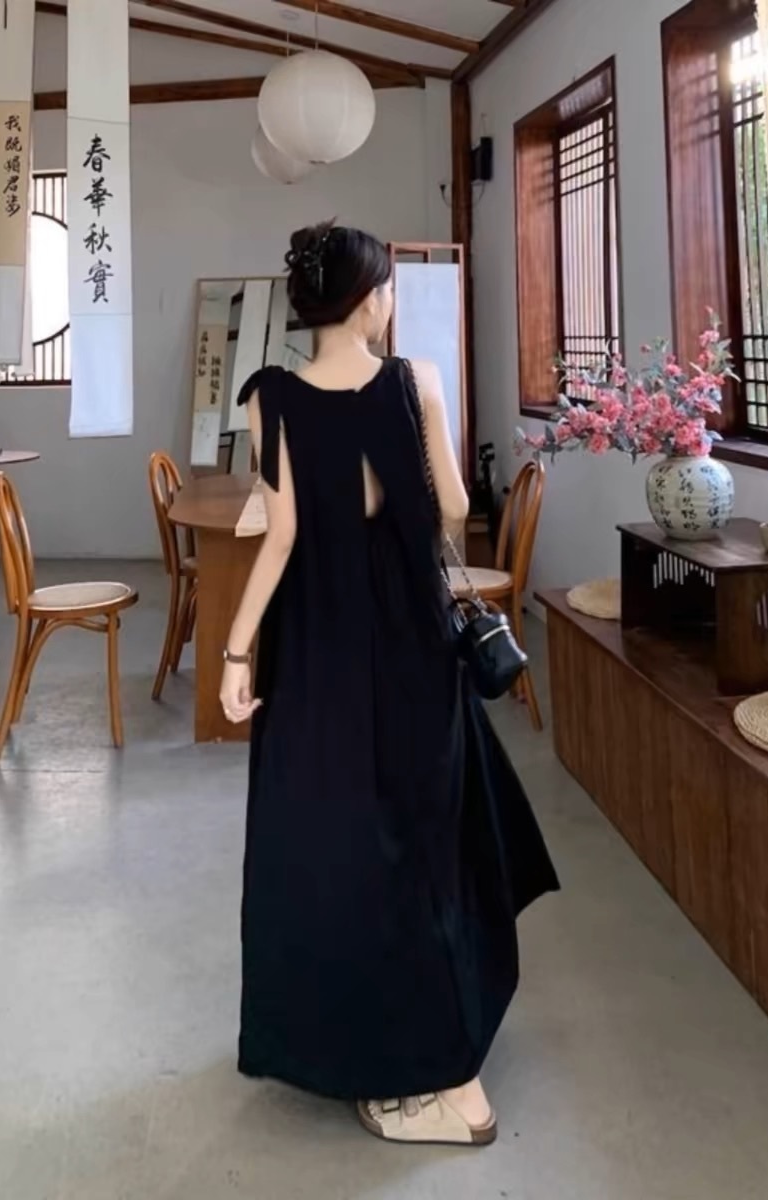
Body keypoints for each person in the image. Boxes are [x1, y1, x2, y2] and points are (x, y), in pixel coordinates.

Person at [220, 222, 559, 1146]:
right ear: (372, 300)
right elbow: (453, 506)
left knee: (325, 844)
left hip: (317, 647)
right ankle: (445, 1064)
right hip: (412, 642)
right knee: (422, 842)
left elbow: (282, 537)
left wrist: (237, 655)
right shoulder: (418, 382)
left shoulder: (269, 397)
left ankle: (413, 1069)